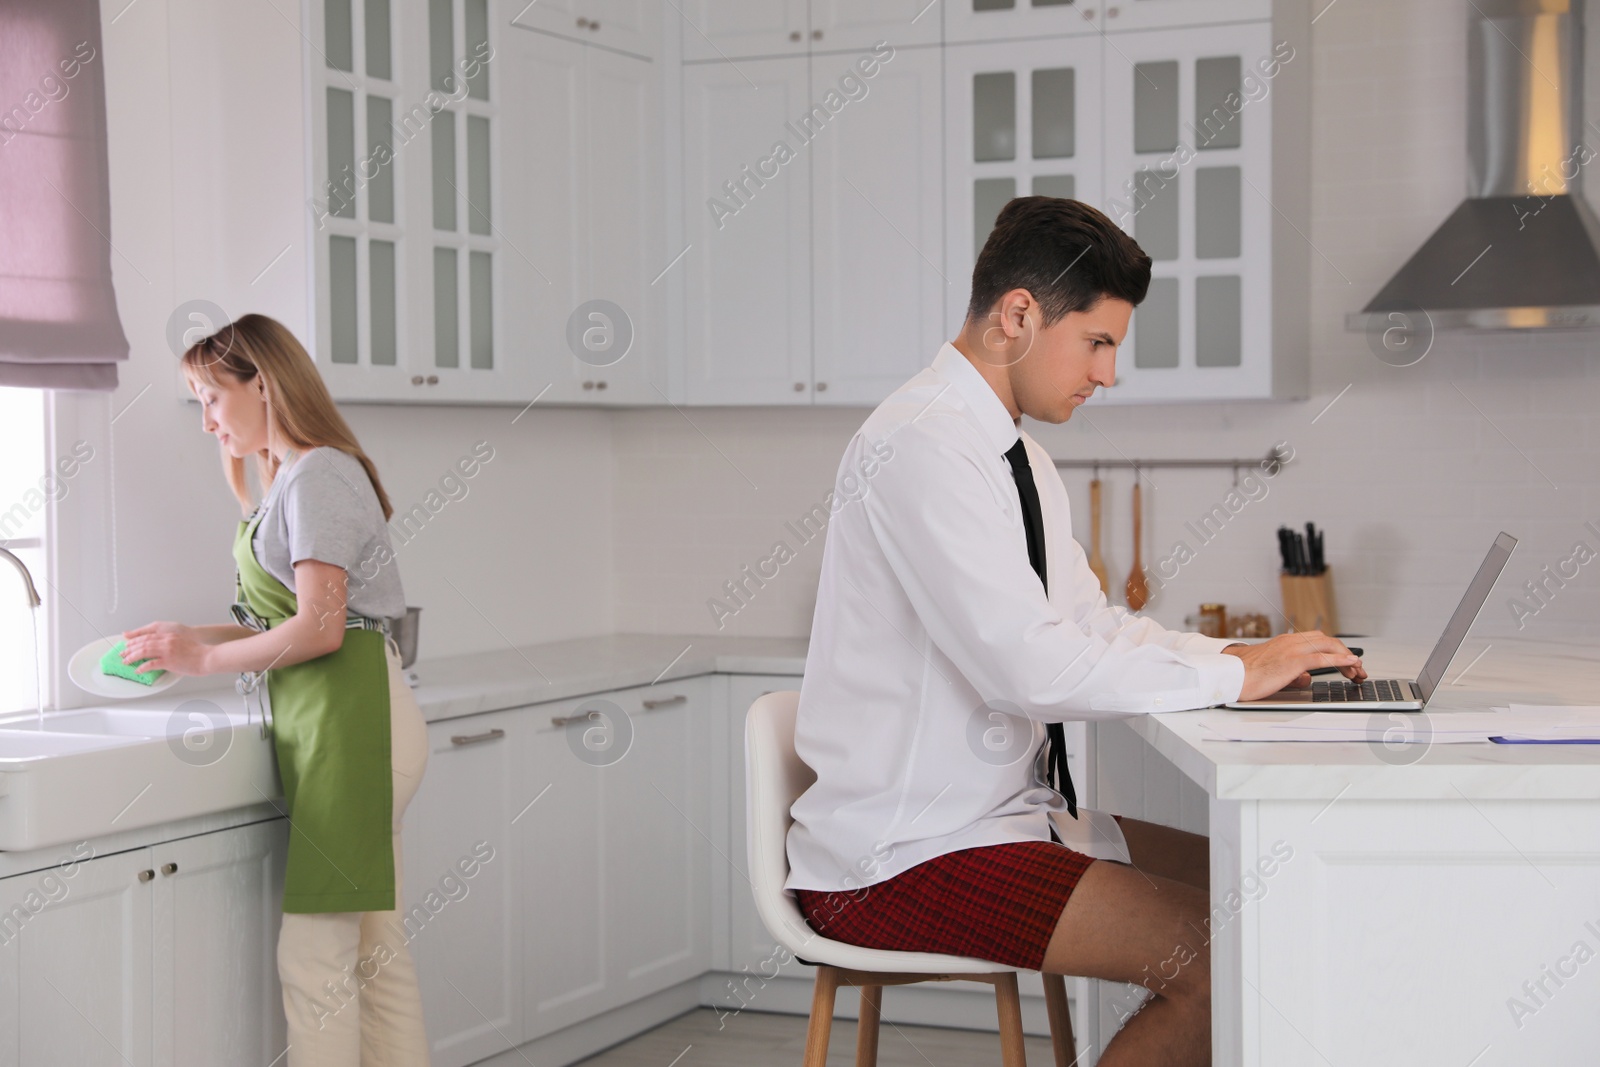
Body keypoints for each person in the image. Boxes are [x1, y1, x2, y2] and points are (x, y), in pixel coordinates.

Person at [785, 197, 1365, 1066]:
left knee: (1262, 879)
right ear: (1018, 315)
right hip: (900, 856)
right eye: (1097, 342)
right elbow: (1029, 668)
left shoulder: (1020, 459)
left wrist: (1232, 657)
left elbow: (1087, 624)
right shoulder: (919, 444)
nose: (1110, 372)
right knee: (1214, 952)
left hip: (1001, 824)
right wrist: (1229, 680)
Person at [122, 314, 431, 1066]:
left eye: (211, 397)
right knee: (372, 949)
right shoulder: (295, 476)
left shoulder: (320, 472)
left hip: (354, 718)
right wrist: (184, 642)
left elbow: (323, 630)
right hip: (343, 715)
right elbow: (296, 622)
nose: (206, 421)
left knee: (314, 957)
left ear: (261, 382)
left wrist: (201, 661)